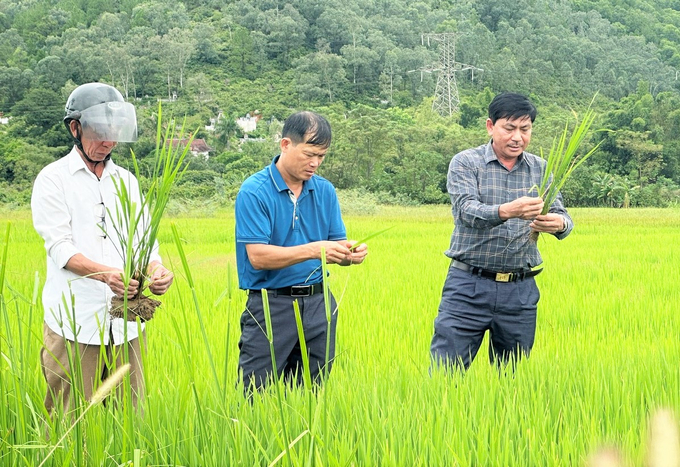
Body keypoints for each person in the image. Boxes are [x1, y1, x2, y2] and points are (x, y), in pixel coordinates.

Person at [31, 82, 174, 414]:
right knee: (69, 426)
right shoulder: (53, 180)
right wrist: (106, 274)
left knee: (129, 421)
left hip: (125, 326)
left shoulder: (126, 181)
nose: (108, 141)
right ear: (75, 128)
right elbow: (60, 247)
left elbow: (145, 241)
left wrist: (157, 271)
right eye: (98, 131)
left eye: (113, 131)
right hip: (75, 322)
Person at [430, 92, 573, 371]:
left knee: (513, 380)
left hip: (520, 290)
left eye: (525, 129)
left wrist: (558, 225)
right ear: (490, 126)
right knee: (445, 374)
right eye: (509, 128)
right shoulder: (465, 162)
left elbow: (563, 215)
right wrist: (509, 210)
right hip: (468, 286)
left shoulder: (540, 169)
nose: (517, 137)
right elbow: (465, 211)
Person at [235, 111, 368, 392]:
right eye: (309, 154)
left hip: (319, 305)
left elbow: (335, 246)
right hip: (271, 306)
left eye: (321, 156)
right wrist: (313, 250)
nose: (315, 163)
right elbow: (258, 257)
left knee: (311, 394)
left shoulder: (325, 191)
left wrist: (349, 254)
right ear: (285, 145)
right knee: (254, 395)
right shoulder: (255, 191)